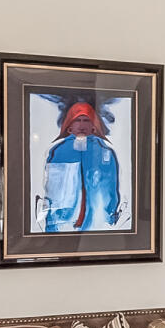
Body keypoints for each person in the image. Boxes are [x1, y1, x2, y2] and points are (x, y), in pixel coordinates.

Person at [42, 98, 124, 231]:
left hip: (98, 223)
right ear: (69, 127)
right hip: (64, 223)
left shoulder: (104, 151)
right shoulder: (58, 152)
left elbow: (111, 186)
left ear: (93, 126)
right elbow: (52, 189)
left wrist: (111, 215)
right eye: (77, 120)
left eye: (86, 120)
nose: (81, 125)